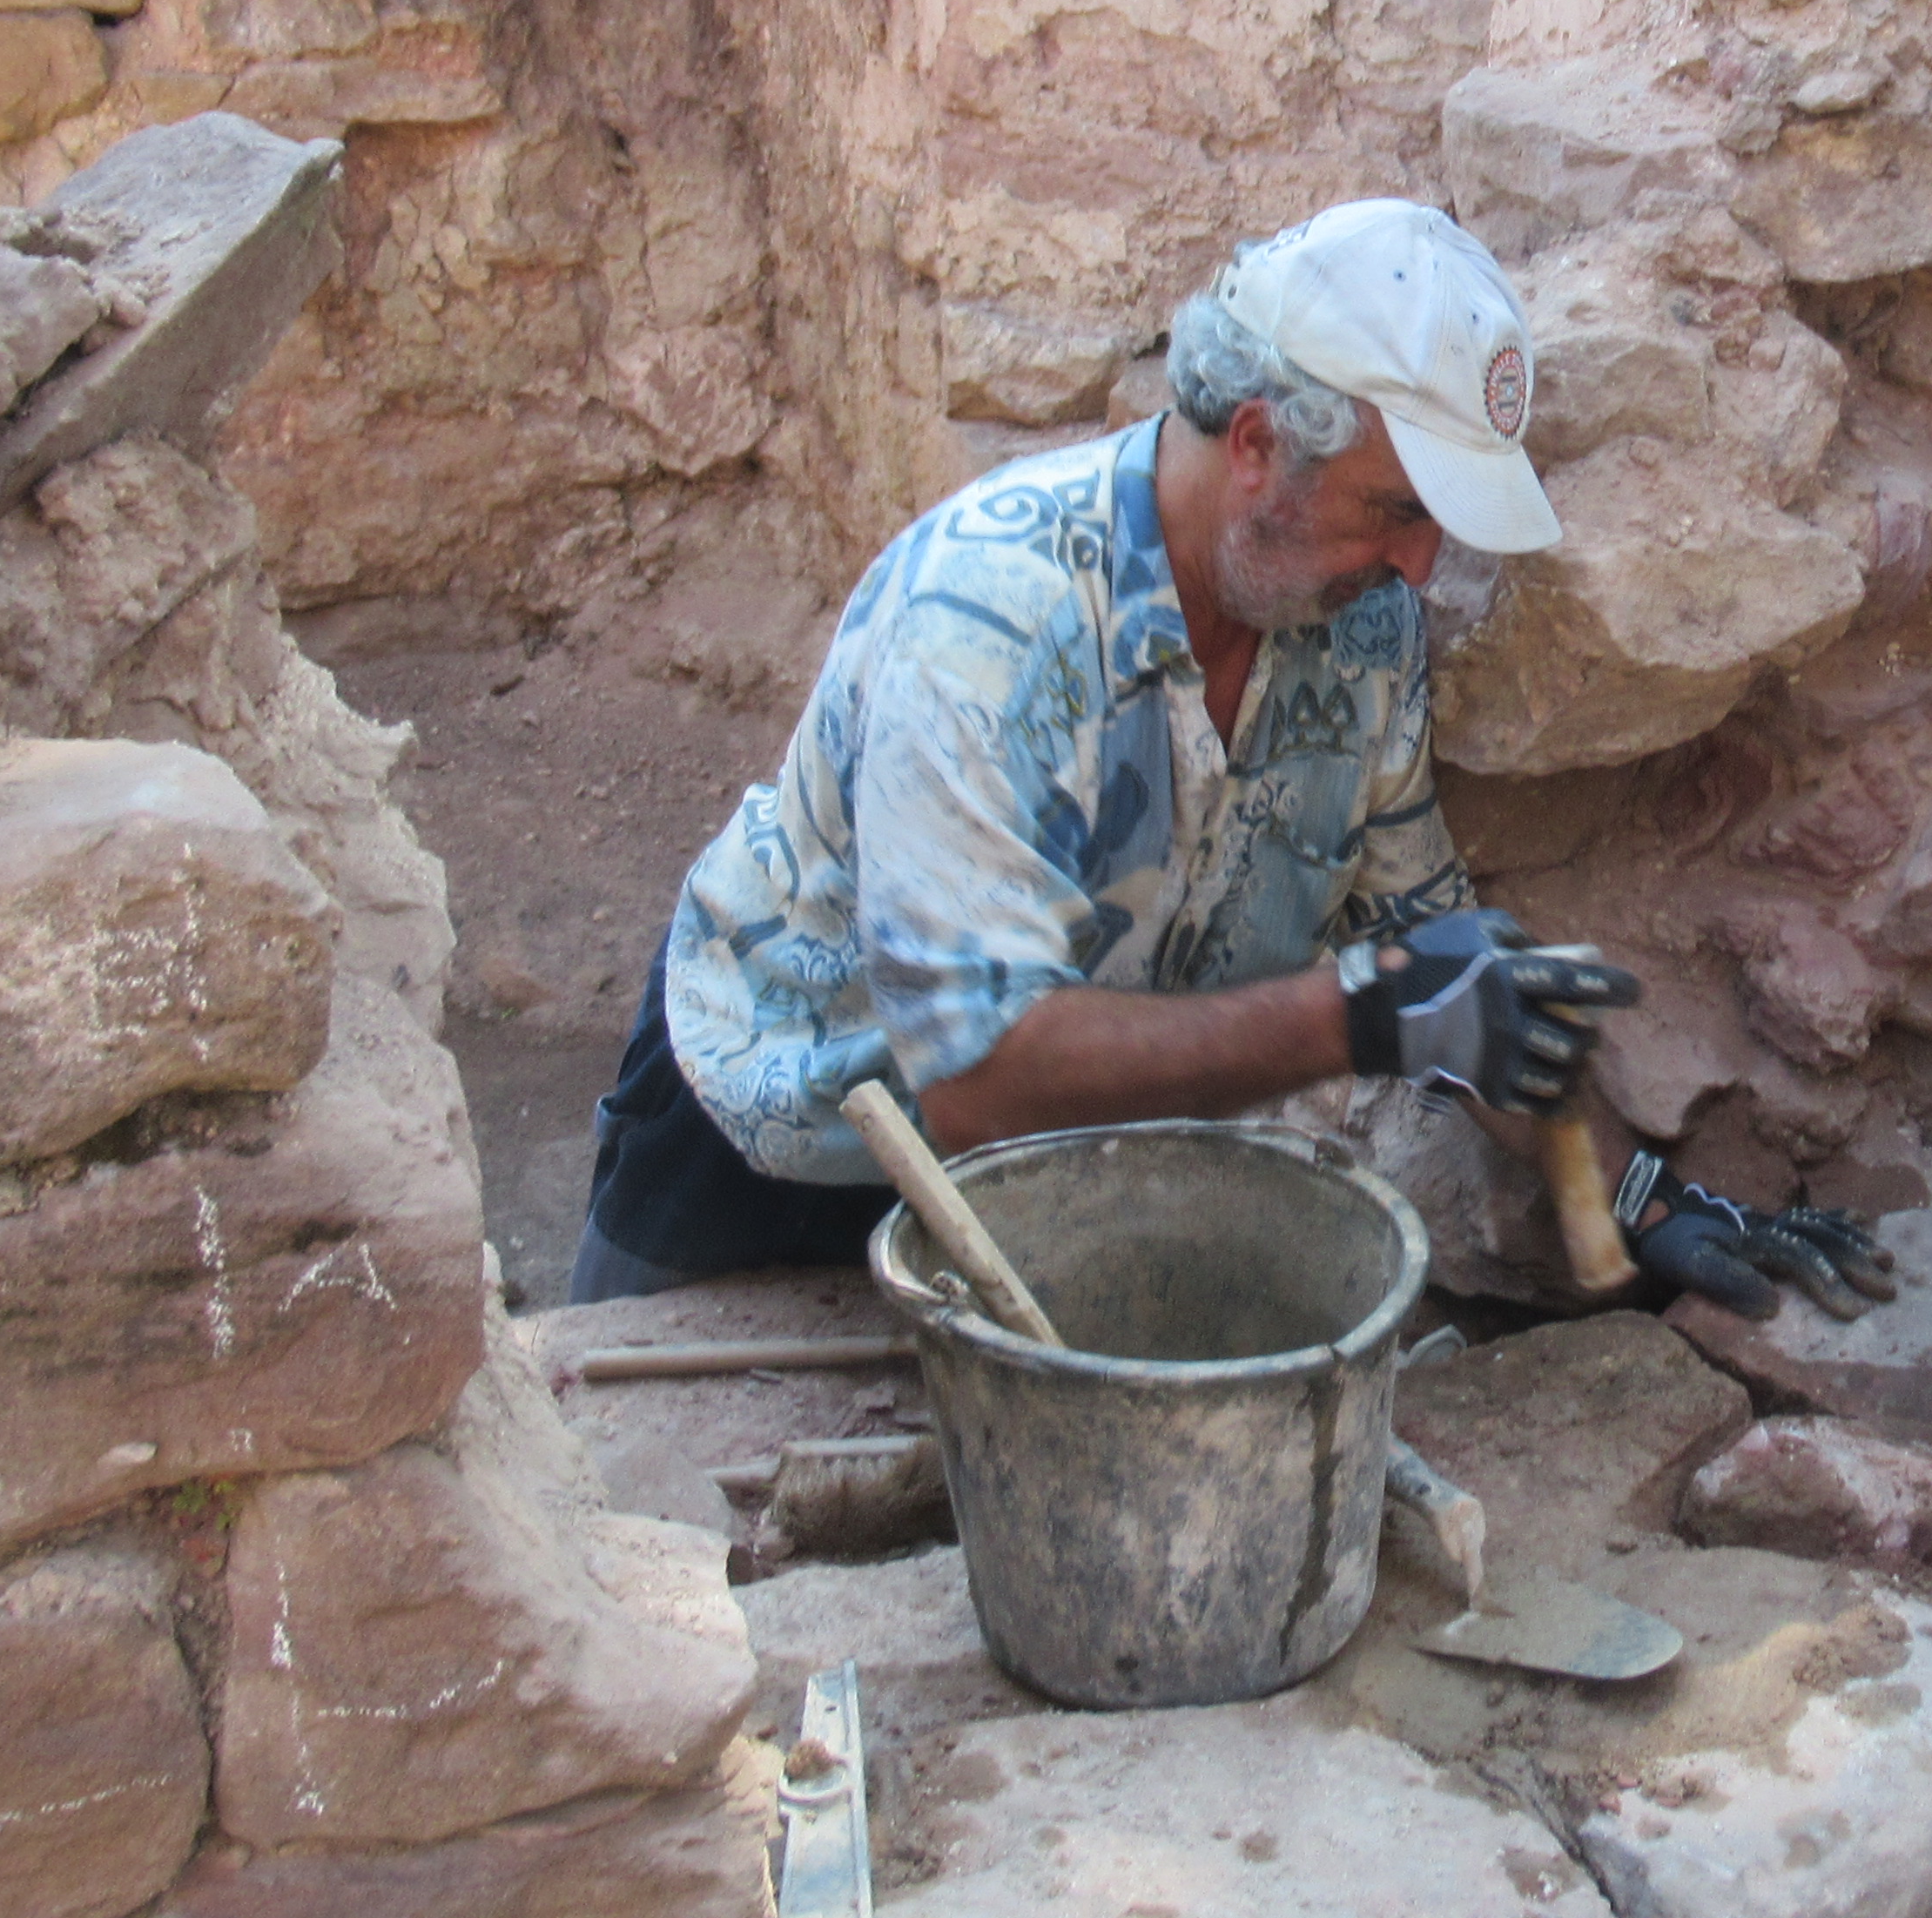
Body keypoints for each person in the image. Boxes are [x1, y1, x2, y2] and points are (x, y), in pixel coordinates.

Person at [573, 199, 1648, 1303]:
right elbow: (977, 1080)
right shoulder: (992, 618)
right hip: (782, 1158)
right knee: (599, 1420)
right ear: (1258, 445)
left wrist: (1645, 1197)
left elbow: (1431, 965)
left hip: (1057, 1184)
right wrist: (1351, 1018)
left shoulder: (1361, 632)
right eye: (1396, 510)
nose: (1421, 567)